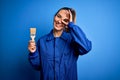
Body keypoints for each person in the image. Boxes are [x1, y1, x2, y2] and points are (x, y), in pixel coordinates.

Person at [28, 7, 92, 80]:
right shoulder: (42, 41)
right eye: (58, 16)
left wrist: (72, 25)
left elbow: (86, 47)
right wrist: (33, 53)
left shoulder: (73, 40)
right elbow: (37, 66)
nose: (59, 21)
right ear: (54, 16)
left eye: (65, 20)